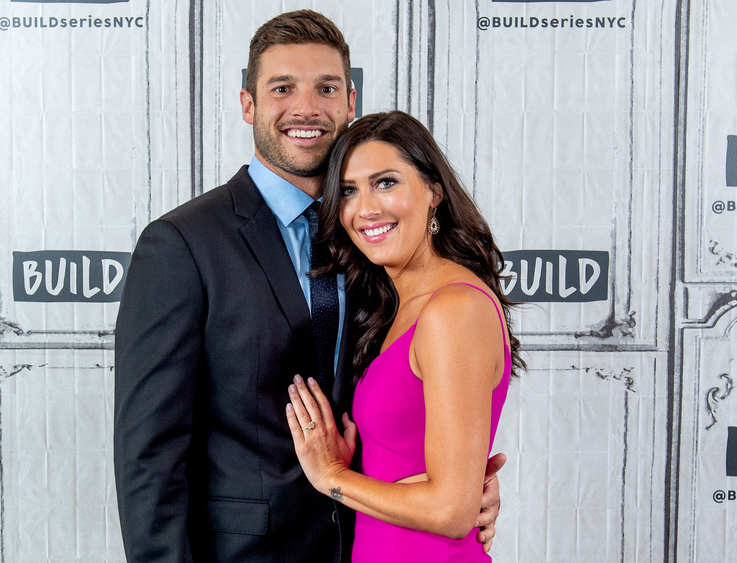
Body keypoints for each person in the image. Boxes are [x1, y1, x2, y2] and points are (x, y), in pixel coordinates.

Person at [113, 11, 503, 562]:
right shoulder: (181, 246)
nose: (306, 108)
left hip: (368, 543)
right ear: (248, 104)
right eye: (282, 88)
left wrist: (458, 496)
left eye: (326, 88)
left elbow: (408, 410)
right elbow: (148, 458)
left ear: (350, 102)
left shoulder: (377, 245)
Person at [285, 110, 524, 562]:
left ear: (434, 191)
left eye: (387, 182)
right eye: (350, 191)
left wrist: (331, 476)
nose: (366, 209)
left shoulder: (453, 309)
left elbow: (451, 510)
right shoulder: (393, 306)